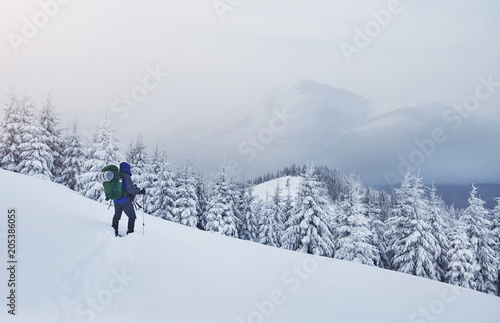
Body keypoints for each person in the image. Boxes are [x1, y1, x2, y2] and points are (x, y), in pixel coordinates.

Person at [112, 162, 145, 236]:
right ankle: (130, 233)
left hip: (116, 200)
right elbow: (131, 189)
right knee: (132, 216)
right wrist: (140, 192)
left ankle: (114, 230)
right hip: (124, 201)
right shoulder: (126, 176)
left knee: (117, 216)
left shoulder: (116, 175)